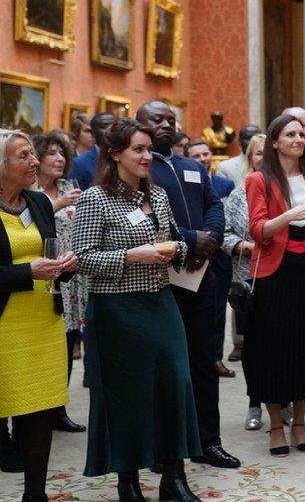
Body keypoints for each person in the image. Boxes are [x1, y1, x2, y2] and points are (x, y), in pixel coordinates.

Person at [72, 118, 201, 502]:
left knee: (175, 384)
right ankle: (127, 480)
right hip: (116, 310)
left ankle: (173, 478)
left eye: (149, 149)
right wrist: (130, 256)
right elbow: (81, 257)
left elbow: (173, 239)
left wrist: (178, 250)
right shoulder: (96, 199)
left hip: (161, 302)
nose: (148, 157)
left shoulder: (158, 196)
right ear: (115, 155)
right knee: (127, 394)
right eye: (139, 150)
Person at [136, 101, 240, 469]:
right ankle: (162, 449)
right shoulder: (138, 170)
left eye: (170, 119)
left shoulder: (192, 167)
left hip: (201, 277)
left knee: (203, 362)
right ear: (139, 124)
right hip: (158, 280)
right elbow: (143, 221)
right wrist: (189, 240)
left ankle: (207, 442)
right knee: (163, 366)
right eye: (156, 119)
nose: (166, 124)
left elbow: (215, 206)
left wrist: (208, 238)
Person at [244, 114, 305, 456]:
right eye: (290, 134)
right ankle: (276, 426)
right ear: (275, 141)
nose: (299, 138)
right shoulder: (259, 179)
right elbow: (258, 230)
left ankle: (299, 423)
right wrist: (292, 215)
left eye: (302, 134)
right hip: (273, 271)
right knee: (273, 347)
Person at [0, 129, 78, 502]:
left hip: (44, 322)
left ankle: (36, 495)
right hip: (5, 325)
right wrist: (25, 273)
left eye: (33, 154)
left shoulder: (40, 202)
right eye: (24, 156)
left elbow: (52, 253)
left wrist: (67, 265)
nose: (35, 162)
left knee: (40, 413)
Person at [33, 132, 87, 435]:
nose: (59, 159)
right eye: (51, 153)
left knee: (67, 344)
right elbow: (31, 219)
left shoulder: (69, 187)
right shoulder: (30, 191)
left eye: (62, 153)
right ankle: (40, 408)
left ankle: (58, 408)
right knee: (45, 344)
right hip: (42, 276)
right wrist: (57, 203)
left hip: (71, 276)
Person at [222, 134, 265, 430]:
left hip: (282, 276)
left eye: (267, 153)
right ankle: (255, 403)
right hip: (247, 277)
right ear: (250, 159)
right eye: (257, 153)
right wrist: (243, 245)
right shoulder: (238, 195)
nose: (263, 158)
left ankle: (283, 401)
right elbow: (223, 234)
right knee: (253, 346)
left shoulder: (289, 191)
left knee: (282, 343)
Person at [186, 139, 237, 379]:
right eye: (196, 156)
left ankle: (216, 357)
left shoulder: (225, 184)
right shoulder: (185, 181)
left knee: (218, 311)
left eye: (206, 153)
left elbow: (225, 216)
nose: (203, 159)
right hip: (194, 253)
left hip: (220, 254)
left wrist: (212, 236)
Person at [68, 112, 115, 190]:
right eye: (105, 126)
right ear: (93, 133)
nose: (110, 130)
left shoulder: (126, 157)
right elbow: (75, 198)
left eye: (113, 126)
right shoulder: (79, 163)